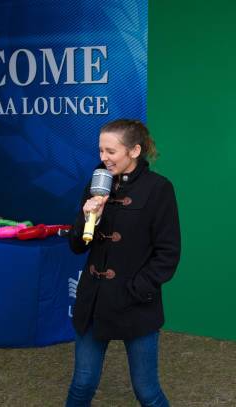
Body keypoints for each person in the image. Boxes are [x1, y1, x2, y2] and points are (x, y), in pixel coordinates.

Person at [66, 119, 181, 407]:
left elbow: (168, 253)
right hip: (93, 301)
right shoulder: (96, 182)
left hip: (136, 304)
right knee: (82, 383)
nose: (103, 158)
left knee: (146, 390)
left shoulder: (159, 189)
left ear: (134, 151)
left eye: (110, 151)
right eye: (100, 151)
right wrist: (88, 217)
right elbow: (77, 245)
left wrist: (136, 289)